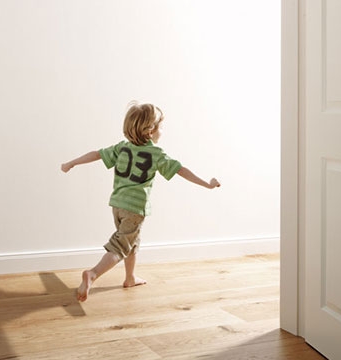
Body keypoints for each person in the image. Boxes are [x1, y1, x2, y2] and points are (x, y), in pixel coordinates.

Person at [61, 102, 221, 302]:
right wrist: (206, 184)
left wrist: (71, 163)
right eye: (161, 126)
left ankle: (130, 278)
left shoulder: (122, 147)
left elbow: (97, 154)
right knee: (120, 246)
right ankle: (92, 274)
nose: (162, 131)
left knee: (131, 242)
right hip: (135, 208)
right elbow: (181, 170)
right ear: (151, 130)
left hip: (117, 204)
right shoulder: (156, 154)